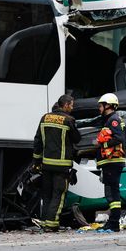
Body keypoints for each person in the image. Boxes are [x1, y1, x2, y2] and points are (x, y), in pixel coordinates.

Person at [31, 94, 82, 231]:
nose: (72, 108)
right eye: (71, 105)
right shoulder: (68, 120)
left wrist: (37, 161)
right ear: (65, 105)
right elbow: (77, 138)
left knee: (47, 193)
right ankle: (52, 224)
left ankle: (44, 221)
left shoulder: (45, 118)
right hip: (62, 165)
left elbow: (37, 141)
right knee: (58, 194)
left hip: (46, 164)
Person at [95, 93, 126, 231]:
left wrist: (102, 145)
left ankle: (114, 223)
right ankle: (113, 222)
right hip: (110, 162)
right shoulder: (109, 119)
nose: (99, 108)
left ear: (108, 105)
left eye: (100, 106)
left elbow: (119, 138)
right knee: (111, 192)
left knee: (112, 192)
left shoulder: (113, 120)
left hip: (113, 161)